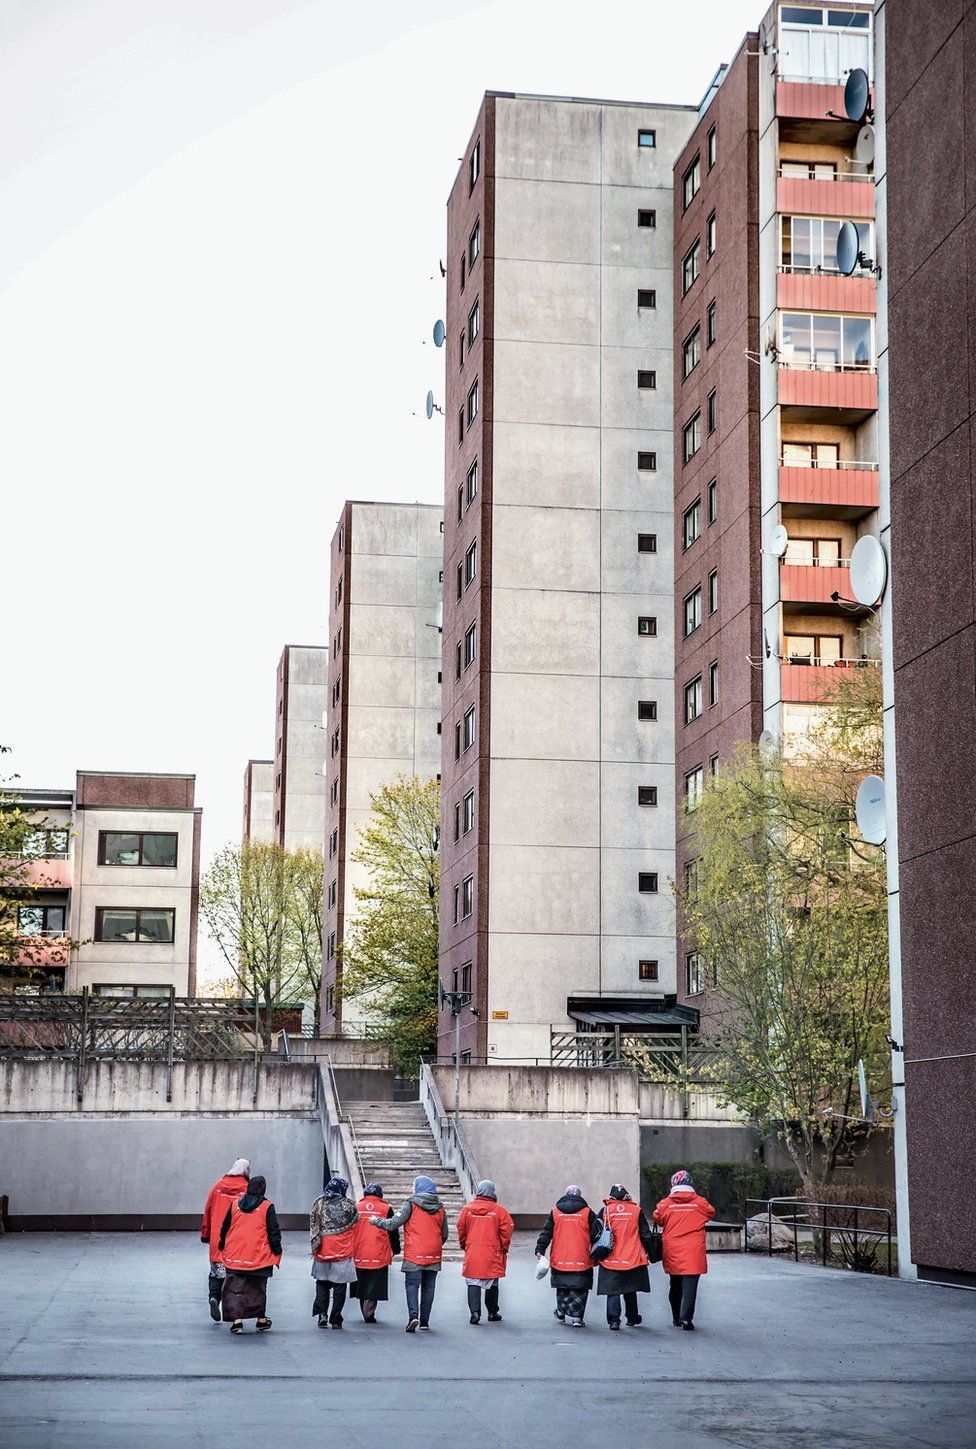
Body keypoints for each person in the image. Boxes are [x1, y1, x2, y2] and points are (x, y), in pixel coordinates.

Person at [370, 1173, 448, 1333]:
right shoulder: (440, 1207)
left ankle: (413, 1317)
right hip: (434, 1253)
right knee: (428, 1288)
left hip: (415, 1253)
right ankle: (425, 1322)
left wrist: (376, 1221)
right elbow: (445, 1233)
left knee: (412, 1285)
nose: (412, 1188)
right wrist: (434, 1245)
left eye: (414, 1185)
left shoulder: (411, 1203)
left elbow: (393, 1224)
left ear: (419, 1187)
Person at [218, 1174, 282, 1334]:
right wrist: (277, 1249)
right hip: (258, 1256)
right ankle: (261, 1320)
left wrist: (222, 1243)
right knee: (258, 1288)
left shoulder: (235, 1205)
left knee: (234, 1287)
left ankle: (237, 1322)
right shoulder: (267, 1206)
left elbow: (225, 1227)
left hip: (235, 1254)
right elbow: (273, 1230)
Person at [653, 1168, 716, 1331]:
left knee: (675, 1284)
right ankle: (686, 1318)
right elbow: (711, 1213)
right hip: (694, 1250)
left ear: (673, 1184)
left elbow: (658, 1219)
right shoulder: (700, 1202)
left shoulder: (665, 1204)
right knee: (690, 1286)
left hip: (673, 1249)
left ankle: (676, 1317)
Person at [534, 1185, 603, 1328]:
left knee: (562, 1286)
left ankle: (562, 1310)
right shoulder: (587, 1212)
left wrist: (540, 1249)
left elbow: (546, 1233)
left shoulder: (555, 1212)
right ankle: (577, 1318)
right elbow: (596, 1233)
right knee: (580, 1287)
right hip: (581, 1257)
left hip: (560, 1256)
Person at [595, 1184, 654, 1330]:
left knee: (612, 1289)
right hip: (632, 1255)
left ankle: (614, 1320)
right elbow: (645, 1234)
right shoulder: (636, 1210)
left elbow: (593, 1233)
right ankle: (632, 1317)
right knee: (630, 1287)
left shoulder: (605, 1211)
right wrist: (650, 1251)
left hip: (610, 1256)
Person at [456, 1179, 514, 1324]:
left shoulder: (467, 1209)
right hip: (492, 1251)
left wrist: (465, 1245)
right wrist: (503, 1248)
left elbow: (461, 1229)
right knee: (492, 1282)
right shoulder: (499, 1211)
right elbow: (507, 1231)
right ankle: (492, 1312)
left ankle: (475, 1312)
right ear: (492, 1192)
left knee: (472, 1281)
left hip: (473, 1250)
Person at [200, 1157, 250, 1321]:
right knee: (234, 1275)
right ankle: (233, 1311)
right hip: (238, 1239)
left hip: (217, 1237)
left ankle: (214, 1297)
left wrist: (205, 1234)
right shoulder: (247, 1189)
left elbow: (208, 1211)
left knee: (216, 1272)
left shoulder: (217, 1187)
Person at [309, 1175, 359, 1329]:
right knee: (340, 1286)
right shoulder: (350, 1205)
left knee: (322, 1283)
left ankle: (322, 1314)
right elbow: (356, 1221)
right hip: (342, 1250)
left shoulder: (319, 1202)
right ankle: (335, 1317)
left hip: (322, 1248)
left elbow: (313, 1222)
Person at [351, 1181, 400, 1323]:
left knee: (362, 1282)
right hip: (379, 1252)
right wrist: (396, 1248)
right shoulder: (386, 1208)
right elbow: (392, 1230)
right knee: (374, 1283)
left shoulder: (356, 1207)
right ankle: (369, 1312)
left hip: (358, 1251)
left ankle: (364, 1311)